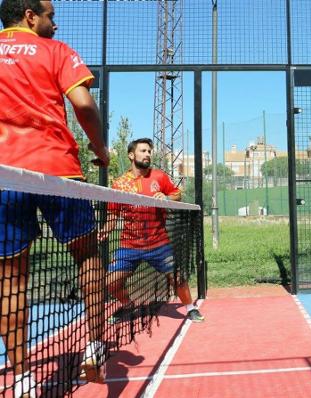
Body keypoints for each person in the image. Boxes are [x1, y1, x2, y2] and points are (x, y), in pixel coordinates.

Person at [0, 0, 110, 395]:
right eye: (50, 15)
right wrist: (101, 149)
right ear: (30, 15)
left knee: (11, 279)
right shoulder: (57, 51)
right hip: (57, 170)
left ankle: (25, 378)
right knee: (88, 255)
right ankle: (95, 346)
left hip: (4, 175)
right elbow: (83, 104)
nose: (56, 23)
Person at [99, 138, 204, 324]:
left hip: (158, 243)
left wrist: (166, 197)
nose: (147, 154)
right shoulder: (119, 184)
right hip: (129, 245)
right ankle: (128, 305)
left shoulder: (159, 176)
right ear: (132, 155)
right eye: (143, 151)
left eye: (149, 151)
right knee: (111, 282)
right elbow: (113, 216)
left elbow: (177, 194)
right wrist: (104, 231)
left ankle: (190, 308)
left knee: (177, 276)